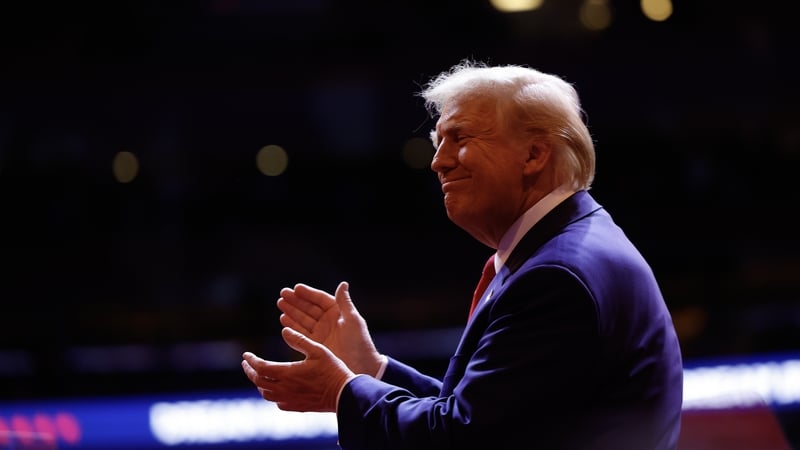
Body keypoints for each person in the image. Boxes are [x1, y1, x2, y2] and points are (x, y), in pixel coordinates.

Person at [241, 60, 684, 449]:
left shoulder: (557, 275)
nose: (438, 161)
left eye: (459, 138)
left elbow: (463, 440)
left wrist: (342, 393)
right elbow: (492, 419)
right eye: (438, 141)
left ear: (534, 153)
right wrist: (370, 371)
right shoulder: (567, 248)